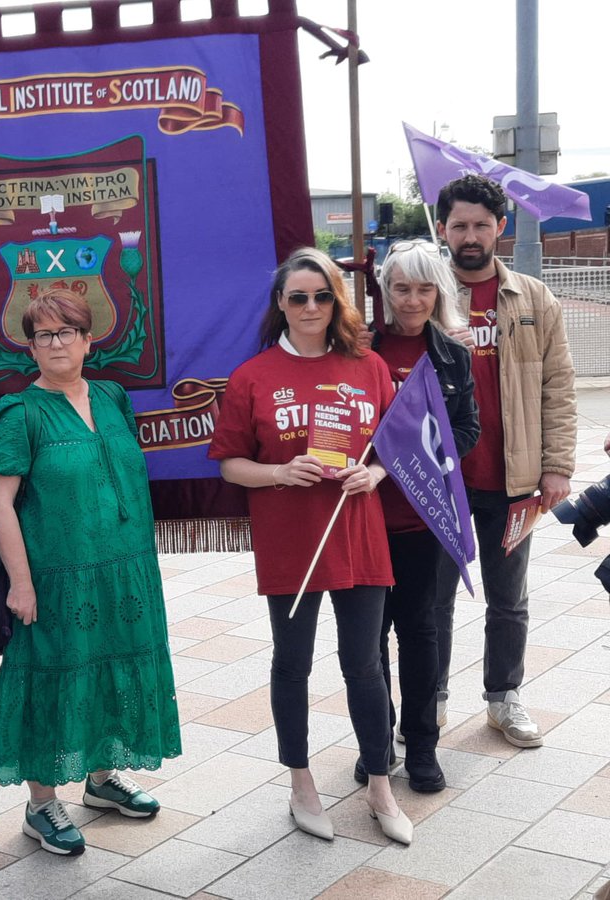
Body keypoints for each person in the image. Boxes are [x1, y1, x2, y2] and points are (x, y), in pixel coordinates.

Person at [210, 248, 412, 845]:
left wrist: (374, 475)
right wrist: (278, 473)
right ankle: (300, 782)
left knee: (366, 664)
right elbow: (228, 465)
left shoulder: (369, 366)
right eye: (298, 297)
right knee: (292, 663)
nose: (310, 307)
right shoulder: (253, 376)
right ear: (280, 303)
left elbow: (391, 446)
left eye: (322, 296)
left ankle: (379, 784)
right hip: (290, 541)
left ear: (336, 302)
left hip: (358, 536)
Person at [0, 287, 181, 857]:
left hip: (125, 573)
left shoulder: (115, 396)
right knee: (54, 675)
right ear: (30, 346)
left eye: (67, 331)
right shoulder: (18, 413)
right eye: (43, 334)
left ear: (89, 340)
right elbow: (0, 505)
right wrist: (20, 582)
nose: (56, 342)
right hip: (56, 578)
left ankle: (101, 778)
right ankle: (41, 802)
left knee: (110, 671)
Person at [434, 174, 577, 748]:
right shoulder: (425, 294)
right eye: (459, 225)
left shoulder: (533, 298)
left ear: (501, 228)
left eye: (481, 224)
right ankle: (430, 701)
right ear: (442, 228)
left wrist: (557, 465)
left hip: (514, 481)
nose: (470, 235)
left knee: (509, 599)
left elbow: (558, 386)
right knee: (431, 599)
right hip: (439, 481)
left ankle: (503, 698)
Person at [355, 240, 479, 794]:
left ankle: (422, 744)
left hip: (424, 520)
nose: (411, 299)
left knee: (421, 632)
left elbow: (469, 430)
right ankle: (376, 744)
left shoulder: (452, 356)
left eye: (424, 288)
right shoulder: (360, 353)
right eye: (401, 287)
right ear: (385, 290)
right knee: (368, 637)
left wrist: (426, 453)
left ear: (439, 292)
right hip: (364, 519)